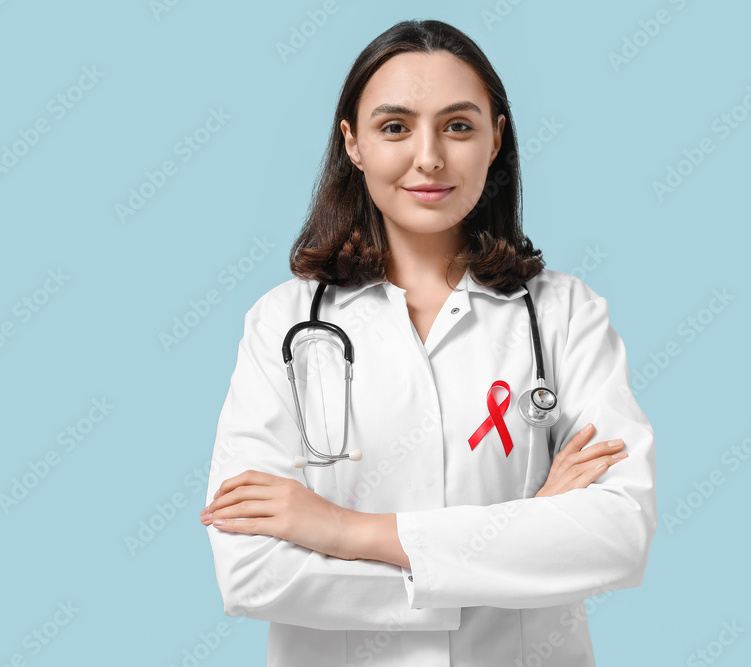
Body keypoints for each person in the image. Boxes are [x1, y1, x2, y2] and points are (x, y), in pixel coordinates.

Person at [199, 19, 657, 666]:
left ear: (496, 137)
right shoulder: (282, 324)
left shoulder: (564, 314)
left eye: (459, 125)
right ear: (352, 143)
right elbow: (252, 572)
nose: (429, 157)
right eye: (394, 127)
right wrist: (520, 537)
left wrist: (343, 531)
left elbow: (617, 535)